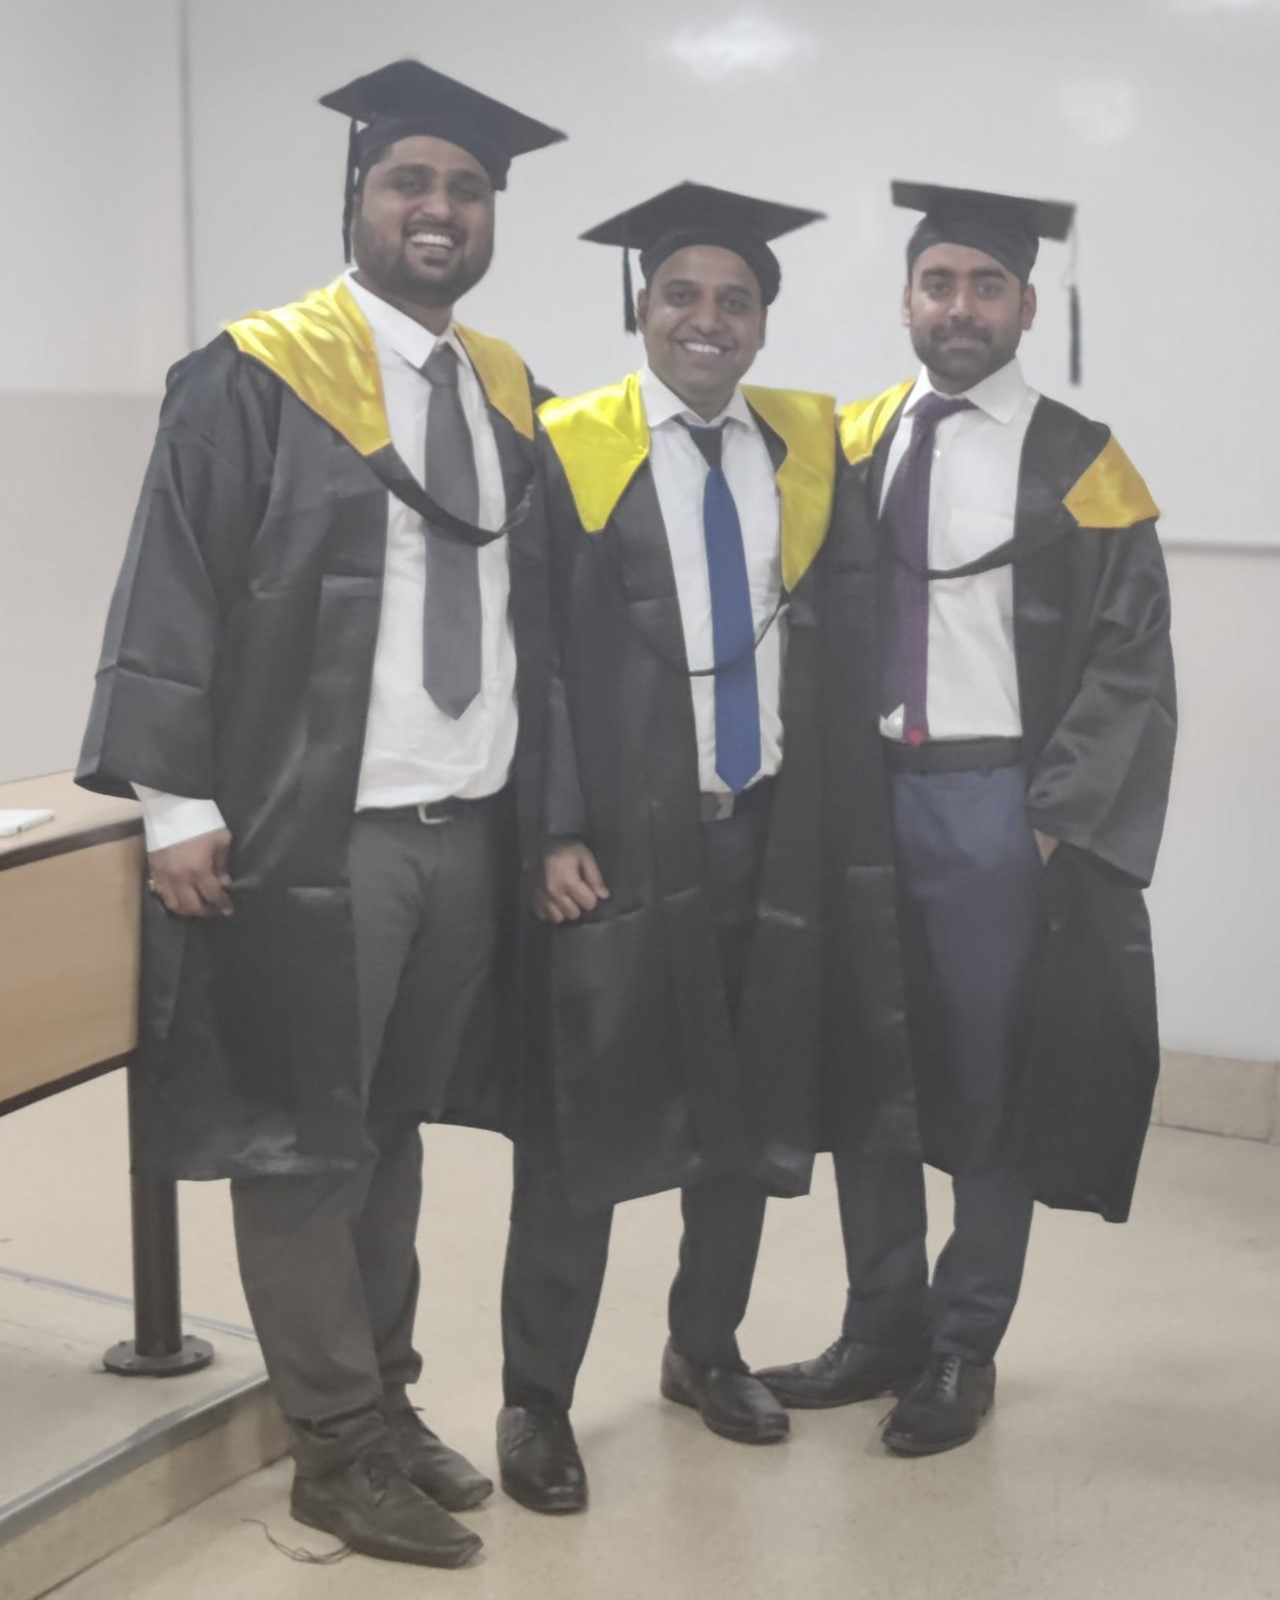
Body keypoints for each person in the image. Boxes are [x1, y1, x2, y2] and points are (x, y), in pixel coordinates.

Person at [76, 59, 563, 1568]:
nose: (439, 209)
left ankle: (383, 1399)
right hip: (313, 833)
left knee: (392, 1132)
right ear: (357, 199)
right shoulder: (253, 373)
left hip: (458, 834)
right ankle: (332, 1449)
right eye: (411, 182)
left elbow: (525, 617)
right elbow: (176, 580)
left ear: (491, 218)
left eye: (466, 190)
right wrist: (172, 805)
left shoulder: (503, 391)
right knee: (304, 1145)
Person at [495, 181, 897, 1516]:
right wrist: (548, 823)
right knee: (582, 1132)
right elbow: (530, 652)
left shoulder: (804, 454)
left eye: (734, 301)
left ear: (764, 324)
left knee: (744, 1116)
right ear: (641, 309)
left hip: (762, 842)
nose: (706, 322)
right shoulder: (571, 449)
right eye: (681, 297)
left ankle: (702, 1349)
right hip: (618, 850)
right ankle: (536, 1398)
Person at [758, 182, 1177, 1456]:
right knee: (866, 1071)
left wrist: (1049, 823)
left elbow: (1128, 659)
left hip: (997, 810)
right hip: (865, 803)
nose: (958, 307)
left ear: (1023, 307)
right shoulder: (854, 437)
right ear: (905, 299)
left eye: (983, 286)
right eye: (937, 283)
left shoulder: (1081, 460)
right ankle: (877, 1319)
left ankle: (959, 1343)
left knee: (994, 1083)